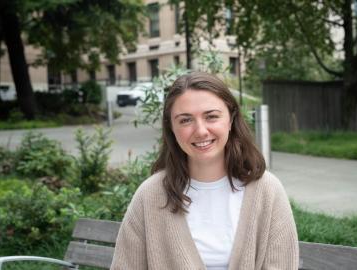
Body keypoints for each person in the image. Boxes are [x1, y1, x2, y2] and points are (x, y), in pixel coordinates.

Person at [111, 72, 299, 270]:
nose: (200, 131)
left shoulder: (267, 192)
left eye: (211, 116)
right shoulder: (150, 196)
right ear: (172, 128)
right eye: (185, 120)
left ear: (231, 119)